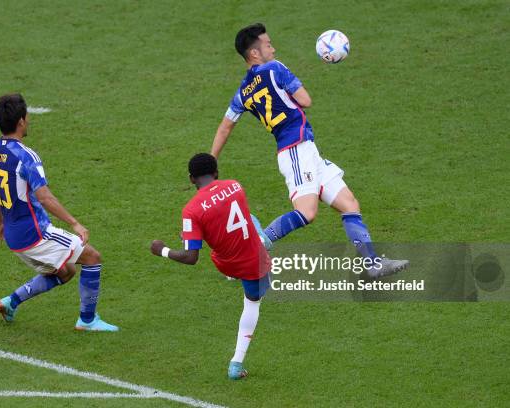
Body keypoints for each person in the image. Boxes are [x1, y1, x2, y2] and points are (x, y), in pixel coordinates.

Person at [211, 23, 408, 277]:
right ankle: (250, 252)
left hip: (306, 151)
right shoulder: (275, 68)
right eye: (268, 44)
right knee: (306, 212)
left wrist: (212, 159)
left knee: (349, 203)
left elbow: (225, 127)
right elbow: (305, 100)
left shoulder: (241, 93)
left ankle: (372, 265)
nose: (273, 47)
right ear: (254, 54)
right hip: (295, 150)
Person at [0, 93, 118, 331]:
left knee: (65, 271)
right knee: (92, 257)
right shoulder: (26, 156)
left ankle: (10, 302)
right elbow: (44, 197)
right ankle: (87, 321)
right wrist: (75, 223)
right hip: (35, 234)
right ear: (21, 122)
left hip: (15, 238)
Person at [151, 153, 271, 380]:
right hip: (254, 260)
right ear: (216, 172)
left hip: (225, 263)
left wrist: (162, 250)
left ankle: (244, 240)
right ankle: (236, 363)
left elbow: (191, 257)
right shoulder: (235, 185)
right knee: (252, 302)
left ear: (191, 179)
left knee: (206, 231)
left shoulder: (191, 210)